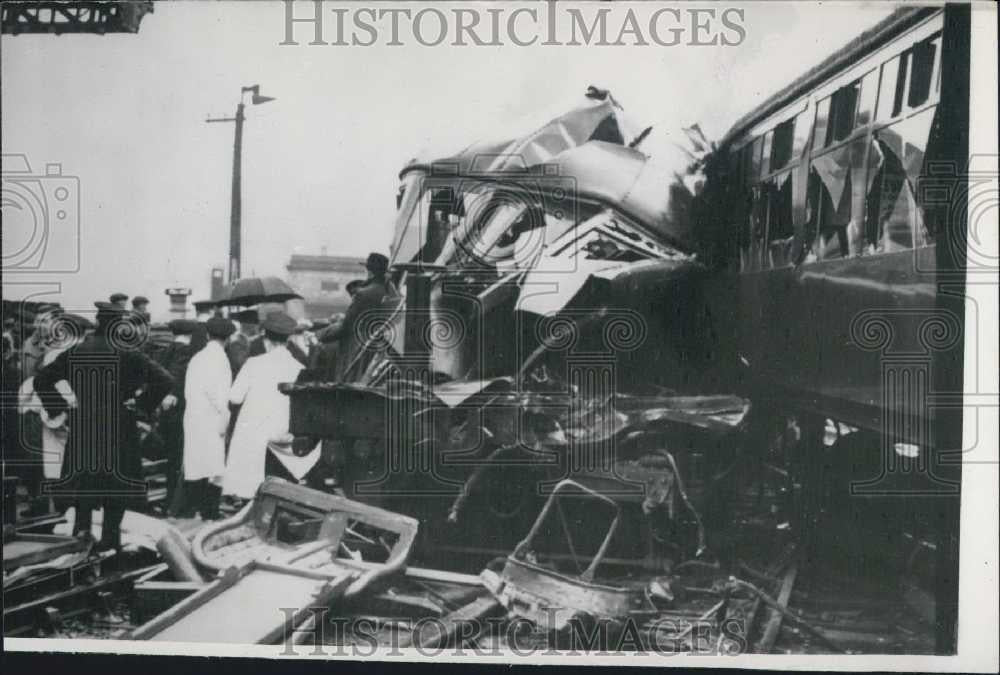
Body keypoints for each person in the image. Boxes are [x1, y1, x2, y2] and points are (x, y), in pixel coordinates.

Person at [34, 302, 174, 550]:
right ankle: (111, 542)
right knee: (116, 486)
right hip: (119, 426)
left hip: (84, 425)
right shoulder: (129, 354)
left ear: (98, 322)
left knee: (84, 484)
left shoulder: (77, 351)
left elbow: (41, 379)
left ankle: (81, 537)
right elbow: (164, 379)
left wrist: (60, 408)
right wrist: (140, 406)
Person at [223, 311, 317, 501]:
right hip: (283, 436)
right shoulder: (298, 367)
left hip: (254, 436)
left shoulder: (253, 363)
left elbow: (235, 398)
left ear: (266, 339)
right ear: (288, 339)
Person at [178, 316, 234, 520]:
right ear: (228, 339)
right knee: (214, 466)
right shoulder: (221, 359)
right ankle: (209, 511)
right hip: (213, 416)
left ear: (208, 335)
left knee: (196, 463)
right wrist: (225, 416)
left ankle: (191, 509)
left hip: (194, 416)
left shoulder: (198, 357)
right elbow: (220, 394)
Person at [316, 252, 396, 381]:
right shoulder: (389, 291)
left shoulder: (363, 294)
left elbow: (345, 328)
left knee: (346, 379)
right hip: (377, 348)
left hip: (357, 350)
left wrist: (318, 335)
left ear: (369, 271)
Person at [155, 319, 199, 513]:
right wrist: (173, 393)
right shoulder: (186, 352)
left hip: (166, 414)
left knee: (171, 459)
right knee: (179, 458)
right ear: (190, 334)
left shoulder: (166, 350)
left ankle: (168, 500)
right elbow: (177, 375)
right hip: (180, 412)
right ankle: (176, 503)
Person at [226, 308, 259, 376]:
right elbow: (241, 364)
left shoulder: (250, 340)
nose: (257, 326)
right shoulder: (236, 343)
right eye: (256, 323)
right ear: (249, 325)